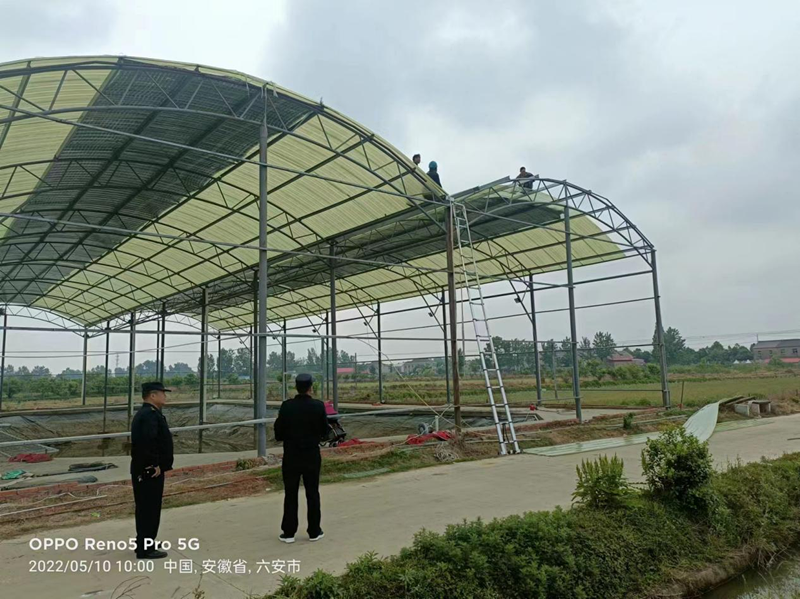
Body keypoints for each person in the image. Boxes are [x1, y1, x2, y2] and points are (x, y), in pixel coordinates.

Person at [274, 373, 330, 543]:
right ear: (311, 387)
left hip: (291, 455)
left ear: (296, 387)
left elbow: (278, 433)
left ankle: (289, 532)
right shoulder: (318, 406)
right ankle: (314, 531)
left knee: (290, 493)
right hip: (311, 455)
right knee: (312, 492)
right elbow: (325, 432)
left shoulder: (286, 406)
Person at [130, 381, 174, 559]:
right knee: (149, 509)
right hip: (149, 471)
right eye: (162, 393)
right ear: (153, 395)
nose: (165, 396)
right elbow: (147, 442)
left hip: (147, 469)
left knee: (146, 507)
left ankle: (144, 541)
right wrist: (153, 464)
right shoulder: (149, 415)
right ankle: (145, 548)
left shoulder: (150, 413)